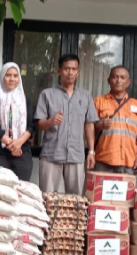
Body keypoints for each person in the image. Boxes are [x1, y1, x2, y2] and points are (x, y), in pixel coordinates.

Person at [34, 54, 100, 193]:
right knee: (47, 198)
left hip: (76, 155)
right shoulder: (47, 94)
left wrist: (91, 151)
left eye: (73, 69)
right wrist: (51, 121)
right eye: (66, 69)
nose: (70, 72)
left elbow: (89, 125)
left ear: (78, 72)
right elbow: (39, 124)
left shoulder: (85, 96)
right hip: (51, 154)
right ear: (59, 71)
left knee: (76, 200)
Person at [88, 66, 137, 174]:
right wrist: (100, 125)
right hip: (104, 160)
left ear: (128, 82)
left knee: (128, 191)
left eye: (122, 77)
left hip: (129, 161)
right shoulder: (98, 101)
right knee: (99, 191)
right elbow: (89, 129)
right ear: (108, 80)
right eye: (115, 77)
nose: (118, 80)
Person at [0, 62, 34, 181]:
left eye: (15, 76)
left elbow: (31, 125)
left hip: (21, 151)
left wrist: (19, 142)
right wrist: (10, 143)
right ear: (2, 77)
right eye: (8, 75)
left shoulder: (26, 101)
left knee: (21, 190)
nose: (12, 79)